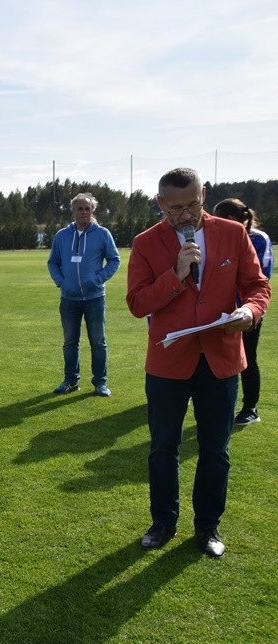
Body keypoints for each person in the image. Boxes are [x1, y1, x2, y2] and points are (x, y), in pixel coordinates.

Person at [127, 168, 270, 558]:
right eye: (176, 209)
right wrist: (176, 274)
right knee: (162, 448)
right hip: (168, 362)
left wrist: (249, 312)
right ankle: (163, 523)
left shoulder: (232, 233)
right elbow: (138, 304)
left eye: (192, 204)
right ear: (160, 204)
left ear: (204, 194)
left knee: (215, 450)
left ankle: (207, 527)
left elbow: (258, 286)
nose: (186, 215)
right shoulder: (144, 243)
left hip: (221, 358)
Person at [47, 192, 121, 396]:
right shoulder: (62, 235)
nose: (84, 212)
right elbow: (53, 262)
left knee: (98, 341)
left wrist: (97, 279)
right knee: (70, 342)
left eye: (87, 209)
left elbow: (114, 260)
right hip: (69, 299)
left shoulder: (103, 234)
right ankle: (71, 381)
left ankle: (100, 383)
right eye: (80, 208)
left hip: (95, 298)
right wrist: (61, 282)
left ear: (93, 211)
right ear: (73, 210)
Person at [213, 198, 274, 426]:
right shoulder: (220, 237)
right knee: (220, 359)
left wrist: (246, 309)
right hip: (222, 312)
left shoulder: (258, 239)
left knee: (247, 358)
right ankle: (220, 406)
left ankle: (250, 408)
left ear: (232, 219)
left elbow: (259, 276)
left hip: (247, 312)